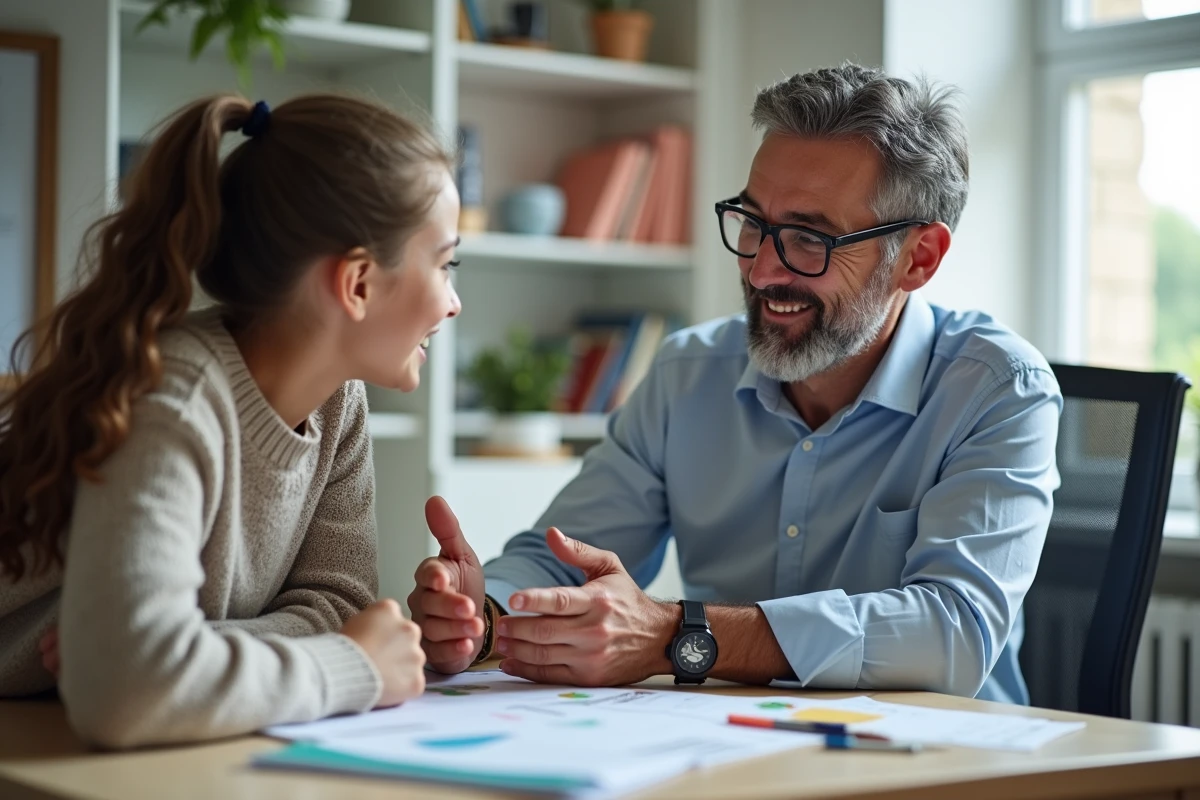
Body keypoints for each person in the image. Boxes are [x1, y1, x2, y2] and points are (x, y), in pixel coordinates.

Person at [409, 63, 1061, 705]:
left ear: (918, 258)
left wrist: (679, 635)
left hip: (947, 762)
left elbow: (954, 633)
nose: (763, 268)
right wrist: (484, 614)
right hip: (728, 747)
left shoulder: (1000, 390)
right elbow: (565, 559)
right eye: (753, 222)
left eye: (809, 238)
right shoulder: (687, 374)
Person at [0, 93, 463, 747]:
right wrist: (354, 668)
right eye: (447, 266)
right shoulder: (175, 404)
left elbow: (337, 606)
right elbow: (124, 694)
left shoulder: (337, 404)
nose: (454, 303)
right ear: (357, 284)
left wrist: (189, 653)